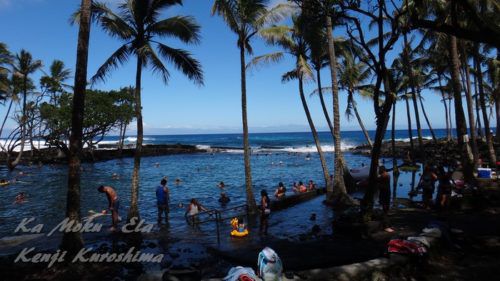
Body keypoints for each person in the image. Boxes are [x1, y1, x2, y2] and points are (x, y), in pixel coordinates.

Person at [378, 166, 393, 232]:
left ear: (382, 170)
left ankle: (386, 226)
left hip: (385, 193)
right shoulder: (386, 175)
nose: (379, 171)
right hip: (386, 193)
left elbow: (379, 181)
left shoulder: (384, 176)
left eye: (379, 170)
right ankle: (386, 225)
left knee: (385, 209)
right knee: (385, 209)